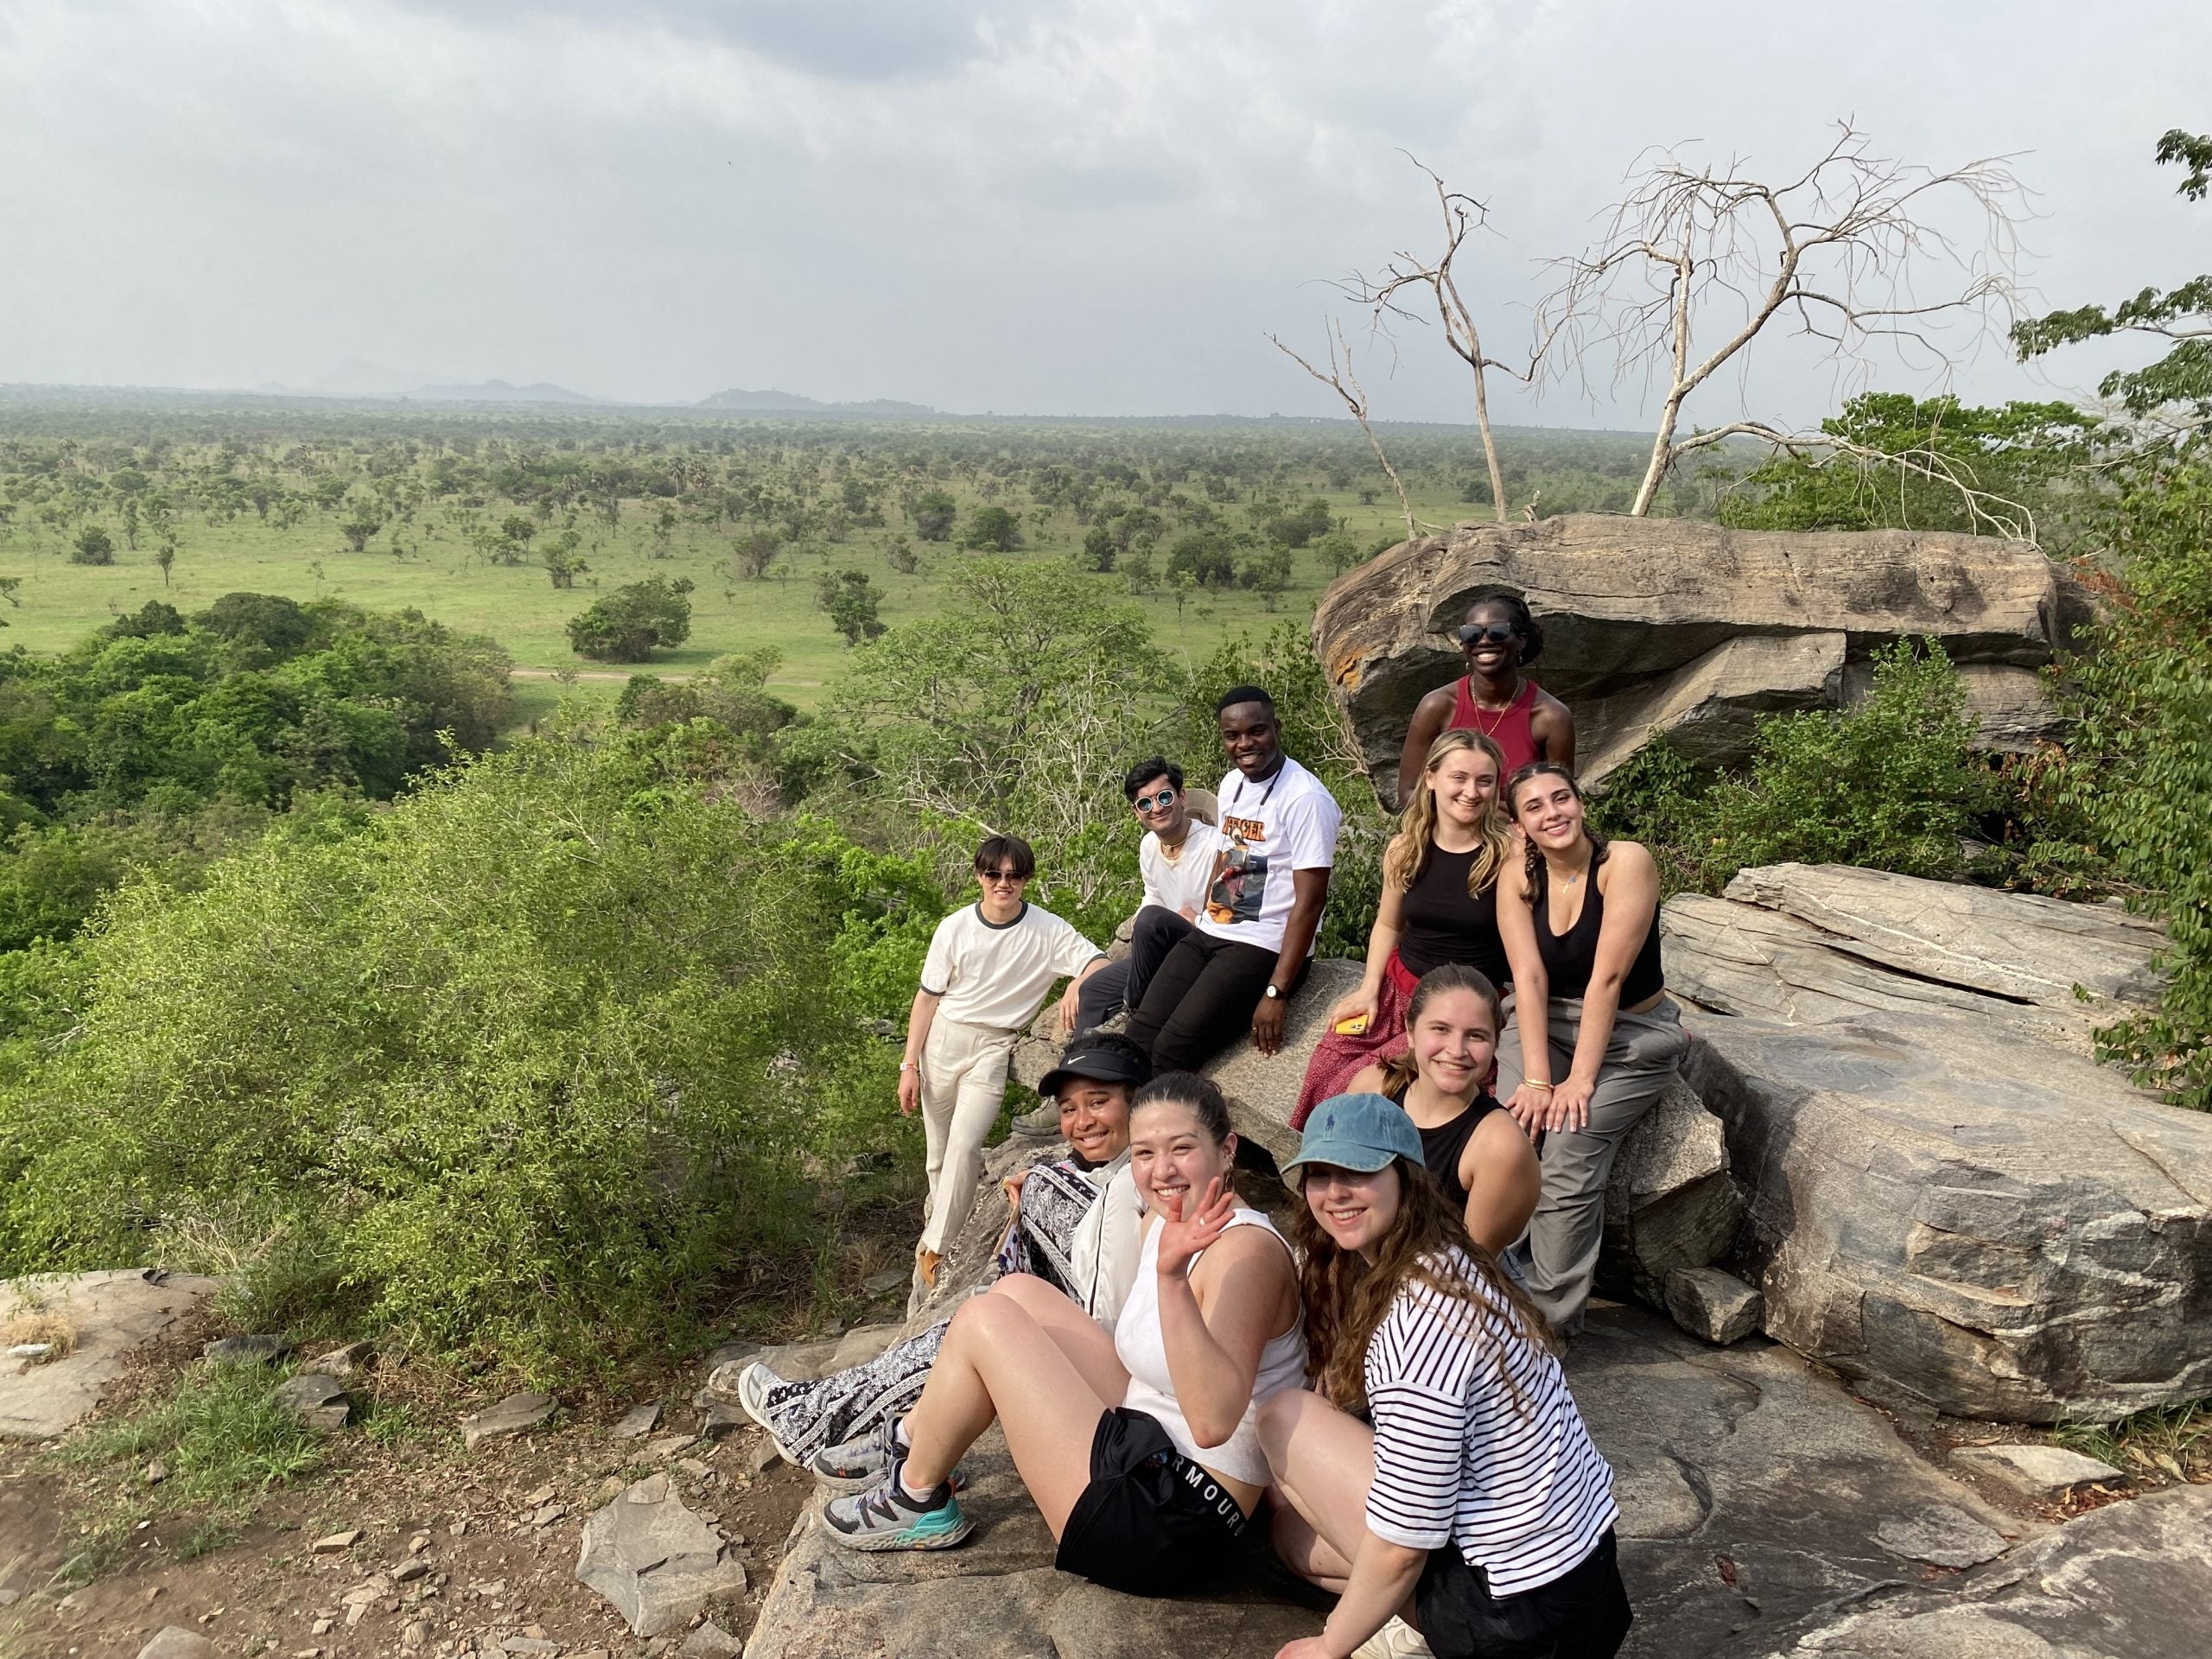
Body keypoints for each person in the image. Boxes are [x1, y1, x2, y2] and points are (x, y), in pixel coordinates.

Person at [818, 1074, 1307, 1601]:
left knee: (986, 1323)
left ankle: (916, 1499)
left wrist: (1170, 1279)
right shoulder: (1163, 1222)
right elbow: (1141, 1348)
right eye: (1144, 1152)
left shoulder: (1246, 1253)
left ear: (1227, 1149)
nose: (1162, 1171)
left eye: (1182, 1149)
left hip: (1175, 1517)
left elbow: (1214, 1423)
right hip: (1148, 1440)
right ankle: (916, 1439)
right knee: (1016, 1291)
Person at [1260, 1094, 1630, 1659]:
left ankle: (1410, 1630)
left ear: (1405, 1179)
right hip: (1585, 1583)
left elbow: (1403, 1548)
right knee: (1297, 1527)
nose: (1334, 1193)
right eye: (1319, 1174)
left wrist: (1328, 1645)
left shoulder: (1419, 1329)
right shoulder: (1453, 1255)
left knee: (1283, 1433)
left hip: (1519, 1626)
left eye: (1358, 1172)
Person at [728, 1032, 1152, 1471]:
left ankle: (830, 1426)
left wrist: (1047, 1190)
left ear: (1139, 1102)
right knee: (964, 1329)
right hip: (1084, 1340)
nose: (1082, 1121)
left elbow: (1108, 1315)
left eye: (1098, 1102)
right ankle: (845, 1420)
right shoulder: (1099, 1172)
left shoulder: (1134, 1193)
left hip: (1109, 1378)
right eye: (1069, 1109)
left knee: (970, 1333)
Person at [1495, 762, 1688, 1336]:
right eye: (1535, 807)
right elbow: (1527, 978)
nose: (1552, 813)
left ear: (1581, 803)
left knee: (1567, 1150)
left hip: (1631, 1034)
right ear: (1519, 824)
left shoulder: (1625, 863)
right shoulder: (1518, 874)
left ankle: (1548, 1324)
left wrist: (1579, 1081)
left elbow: (1607, 979)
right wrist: (1535, 1079)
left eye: (1562, 799)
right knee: (1508, 1135)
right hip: (1542, 1023)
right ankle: (1489, 1287)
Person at [901, 835, 1109, 1294]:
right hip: (943, 1041)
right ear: (979, 876)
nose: (1003, 883)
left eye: (1014, 875)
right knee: (938, 1155)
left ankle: (938, 1247)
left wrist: (1077, 984)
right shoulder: (954, 928)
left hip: (994, 1047)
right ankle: (937, 1231)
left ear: (1026, 880)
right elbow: (926, 999)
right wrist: (908, 1065)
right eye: (994, 874)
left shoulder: (1047, 930)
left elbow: (1098, 960)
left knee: (965, 1146)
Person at [1295, 730, 1517, 1125]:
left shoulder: (1507, 855)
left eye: (1485, 781)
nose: (1472, 791)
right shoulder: (1407, 848)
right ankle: (1316, 1171)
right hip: (1399, 991)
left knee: (1355, 1087)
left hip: (1459, 1009)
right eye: (1459, 777)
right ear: (1431, 777)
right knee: (1325, 1063)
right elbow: (1387, 923)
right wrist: (1369, 988)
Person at [1125, 688, 1343, 1073]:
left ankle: (1154, 1128)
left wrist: (1276, 992)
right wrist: (1205, 916)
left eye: (1256, 731)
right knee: (1139, 1034)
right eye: (1232, 735)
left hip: (1263, 946)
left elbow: (1311, 901)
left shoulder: (1305, 798)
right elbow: (1231, 854)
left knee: (1171, 1052)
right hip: (1217, 927)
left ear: (1276, 727)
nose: (1244, 744)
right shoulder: (1232, 785)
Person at [1345, 965, 1539, 1257]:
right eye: (1441, 1029)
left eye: (1476, 1035)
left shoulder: (1500, 1147)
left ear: (1496, 1043)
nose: (1456, 1049)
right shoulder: (1371, 1090)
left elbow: (1464, 1270)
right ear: (1410, 1031)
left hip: (1438, 1290)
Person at [1070, 755, 1226, 1035]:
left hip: (1205, 947)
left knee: (1153, 920)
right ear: (1136, 812)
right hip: (1167, 950)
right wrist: (1151, 921)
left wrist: (1196, 919)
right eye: (1146, 803)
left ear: (1181, 796)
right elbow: (1153, 895)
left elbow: (1231, 915)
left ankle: (1133, 1012)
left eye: (1164, 797)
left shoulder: (1214, 845)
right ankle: (1082, 1064)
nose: (1157, 808)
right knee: (1093, 989)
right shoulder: (1149, 846)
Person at [1395, 593, 1573, 810]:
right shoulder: (1438, 706)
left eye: (1498, 632)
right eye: (1472, 634)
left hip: (1518, 839)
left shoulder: (1550, 717)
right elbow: (1408, 792)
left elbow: (1559, 802)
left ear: (1521, 641)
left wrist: (1477, 812)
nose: (1484, 641)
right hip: (1447, 838)